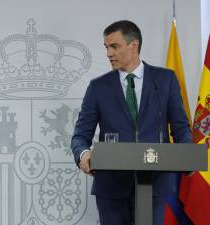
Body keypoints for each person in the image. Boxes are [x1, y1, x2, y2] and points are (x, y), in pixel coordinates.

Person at [71, 20, 192, 225]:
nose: (109, 53)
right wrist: (84, 154)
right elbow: (80, 136)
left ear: (133, 45)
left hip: (156, 183)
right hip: (111, 187)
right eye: (106, 47)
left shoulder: (165, 80)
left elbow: (180, 126)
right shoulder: (98, 87)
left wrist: (187, 155)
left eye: (114, 46)